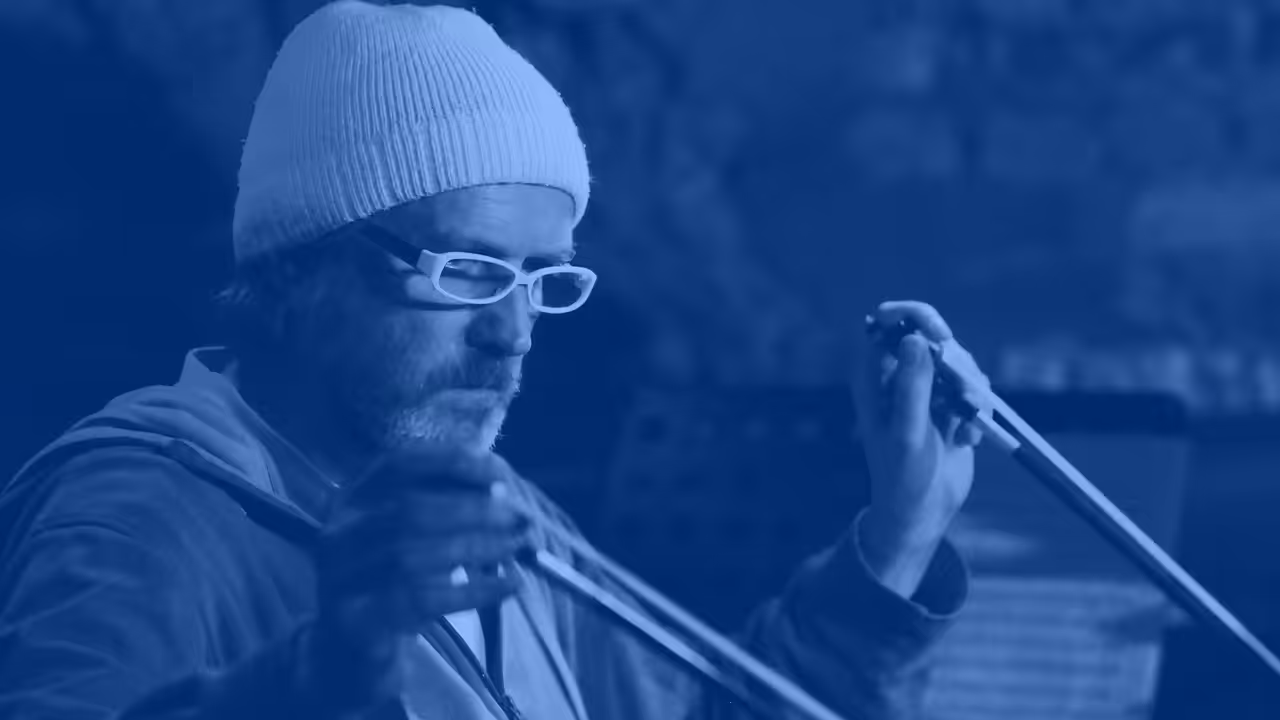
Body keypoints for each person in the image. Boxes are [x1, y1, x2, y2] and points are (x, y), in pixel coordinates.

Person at [0, 3, 991, 719]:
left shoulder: (497, 515)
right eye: (468, 270)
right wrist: (323, 675)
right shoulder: (135, 520)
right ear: (302, 267)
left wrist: (901, 532)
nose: (512, 331)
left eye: (541, 280)